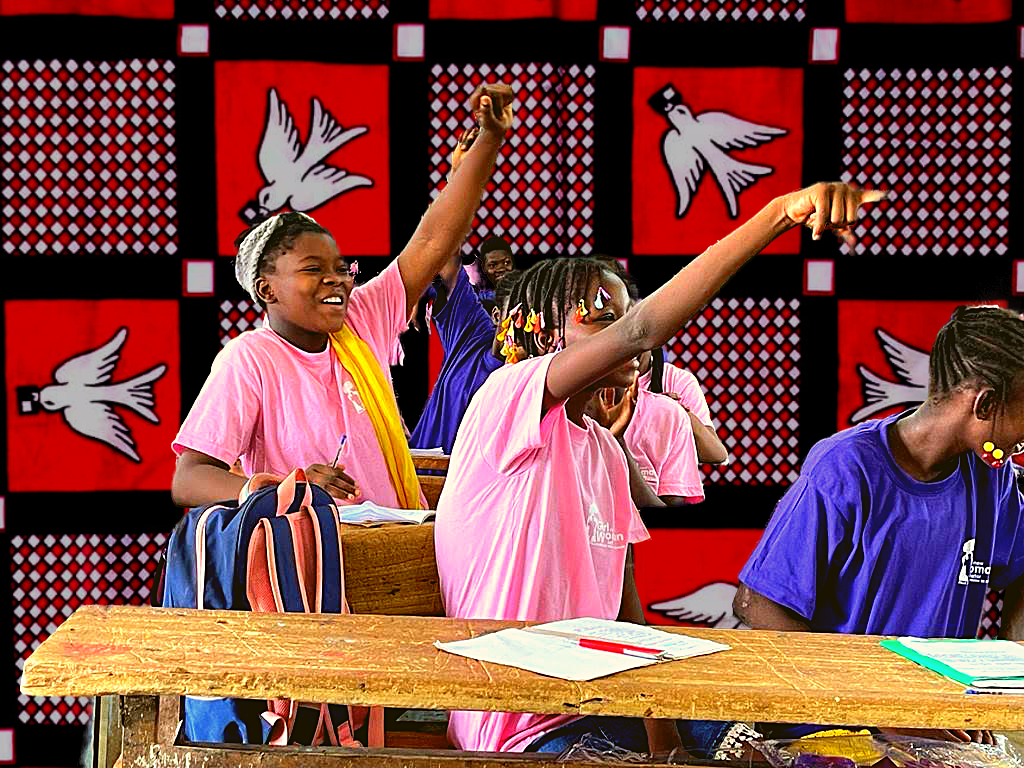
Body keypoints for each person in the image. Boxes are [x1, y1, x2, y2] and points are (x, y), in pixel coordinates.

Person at [434, 182, 885, 755]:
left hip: (602, 704)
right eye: (602, 318)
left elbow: (627, 618)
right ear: (544, 332)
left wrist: (666, 740)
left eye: (623, 314)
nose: (632, 338)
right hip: (521, 727)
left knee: (781, 741)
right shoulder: (505, 399)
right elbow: (644, 330)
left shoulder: (602, 450)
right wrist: (778, 215)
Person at [170, 84, 516, 508]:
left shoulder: (360, 316)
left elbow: (431, 242)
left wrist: (490, 140)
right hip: (315, 564)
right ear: (267, 289)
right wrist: (285, 487)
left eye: (340, 268)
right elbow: (189, 478)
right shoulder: (249, 360)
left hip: (396, 543)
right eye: (314, 270)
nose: (337, 281)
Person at [735, 304, 1024, 744]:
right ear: (984, 403)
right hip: (825, 734)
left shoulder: (993, 475)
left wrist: (1005, 677)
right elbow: (760, 605)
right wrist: (882, 711)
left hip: (934, 729)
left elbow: (1020, 570)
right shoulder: (845, 469)